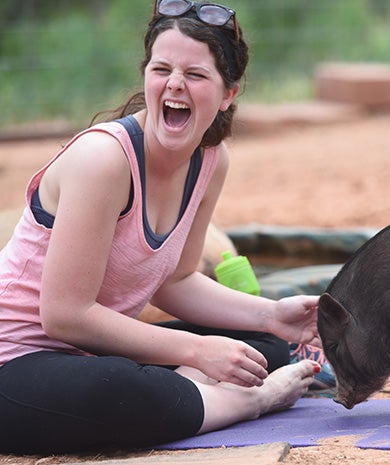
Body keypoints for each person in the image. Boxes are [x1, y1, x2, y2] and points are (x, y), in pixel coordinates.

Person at [0, 0, 333, 454]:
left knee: (259, 347)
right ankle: (247, 402)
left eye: (195, 75)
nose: (174, 84)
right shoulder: (103, 160)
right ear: (145, 75)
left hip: (92, 353)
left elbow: (174, 281)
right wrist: (193, 353)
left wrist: (270, 315)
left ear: (227, 94)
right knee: (118, 387)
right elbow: (64, 315)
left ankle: (194, 392)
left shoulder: (211, 161)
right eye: (162, 69)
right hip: (18, 362)